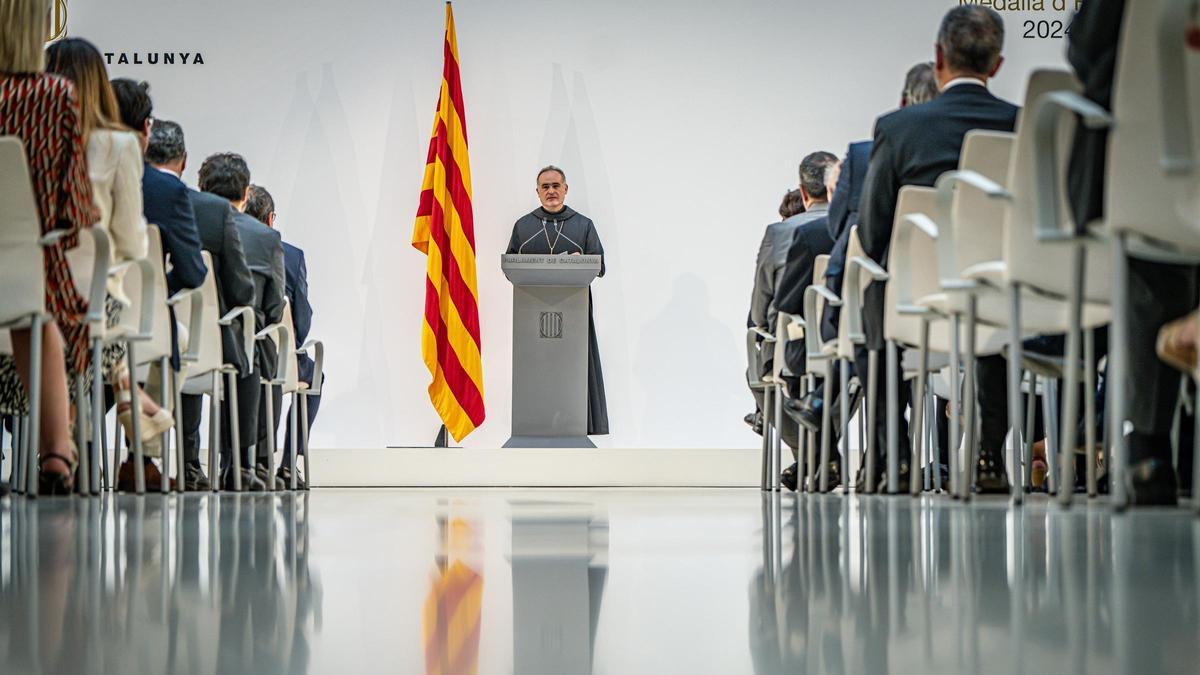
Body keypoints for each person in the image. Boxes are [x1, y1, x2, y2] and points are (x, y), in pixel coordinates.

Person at [856, 6, 1018, 492]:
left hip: (914, 297)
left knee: (871, 301)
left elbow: (872, 229)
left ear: (938, 57)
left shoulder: (899, 128)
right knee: (994, 306)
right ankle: (990, 455)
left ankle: (897, 457)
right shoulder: (1021, 125)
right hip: (995, 293)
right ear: (997, 65)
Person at [0, 0, 100, 494]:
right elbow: (74, 205)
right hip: (28, 266)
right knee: (39, 315)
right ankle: (57, 452)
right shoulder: (55, 95)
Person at [166, 147, 258, 490]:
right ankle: (236, 464)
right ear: (245, 192)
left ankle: (189, 463)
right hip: (212, 342)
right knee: (246, 362)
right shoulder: (219, 215)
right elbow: (241, 289)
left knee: (187, 357)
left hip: (163, 332)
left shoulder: (175, 206)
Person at [199, 154, 287, 490]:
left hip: (186, 337)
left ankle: (191, 462)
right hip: (243, 346)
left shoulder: (189, 222)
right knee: (257, 345)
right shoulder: (264, 238)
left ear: (202, 188)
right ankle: (249, 461)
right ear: (246, 192)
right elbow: (275, 307)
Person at [506, 165, 609, 436]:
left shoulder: (583, 224)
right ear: (537, 192)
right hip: (530, 312)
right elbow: (510, 262)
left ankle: (575, 428)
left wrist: (582, 262)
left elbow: (599, 265)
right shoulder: (524, 226)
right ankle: (530, 429)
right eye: (545, 187)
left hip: (574, 313)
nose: (551, 191)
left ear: (566, 189)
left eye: (555, 186)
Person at [246, 184, 316, 488]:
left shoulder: (228, 248)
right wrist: (292, 347)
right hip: (280, 357)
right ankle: (288, 465)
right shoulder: (291, 255)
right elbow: (302, 317)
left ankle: (235, 460)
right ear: (271, 219)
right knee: (314, 375)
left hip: (235, 354)